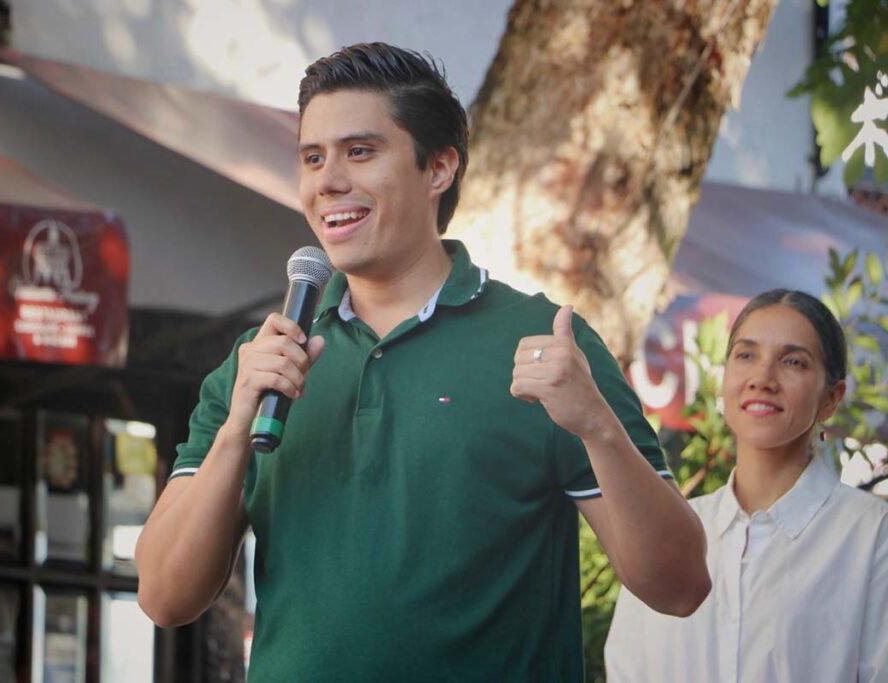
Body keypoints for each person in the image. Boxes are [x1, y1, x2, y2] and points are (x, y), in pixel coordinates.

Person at [136, 42, 709, 681]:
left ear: (438, 168)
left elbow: (680, 586)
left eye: (360, 152)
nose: (327, 181)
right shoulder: (258, 364)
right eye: (312, 157)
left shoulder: (544, 344)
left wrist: (598, 426)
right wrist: (237, 430)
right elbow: (164, 597)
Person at [605, 289, 888, 683]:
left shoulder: (873, 535)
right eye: (746, 355)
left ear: (831, 399)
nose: (762, 378)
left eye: (793, 362)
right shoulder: (674, 530)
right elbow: (626, 670)